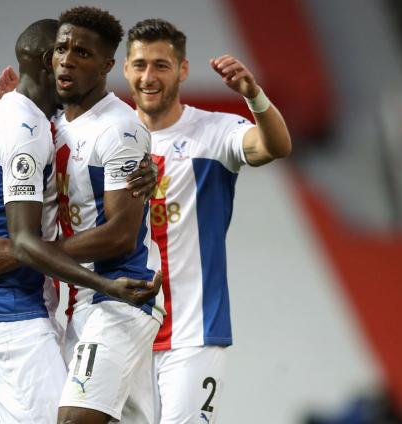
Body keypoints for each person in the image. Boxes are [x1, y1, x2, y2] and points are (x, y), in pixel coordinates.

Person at [0, 18, 161, 423]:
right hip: (67, 303)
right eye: (62, 50)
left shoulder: (116, 128)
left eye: (81, 53)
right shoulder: (49, 123)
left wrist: (21, 253)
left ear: (107, 64)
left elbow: (121, 234)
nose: (67, 61)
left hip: (117, 297)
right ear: (47, 60)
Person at [122, 19, 292, 423]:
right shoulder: (108, 137)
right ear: (125, 68)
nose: (149, 76)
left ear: (182, 69)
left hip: (193, 333)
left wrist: (254, 97)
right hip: (122, 331)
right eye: (140, 64)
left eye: (161, 65)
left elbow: (275, 146)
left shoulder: (214, 132)